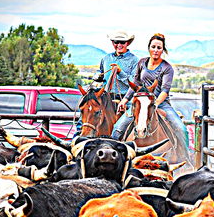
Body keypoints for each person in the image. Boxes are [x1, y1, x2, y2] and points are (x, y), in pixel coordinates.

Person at [112, 33, 191, 163]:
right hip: (140, 101)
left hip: (161, 103)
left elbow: (165, 91)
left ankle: (185, 159)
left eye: (159, 48)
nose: (155, 50)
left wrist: (154, 104)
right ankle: (115, 158)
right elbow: (135, 83)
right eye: (153, 47)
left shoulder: (167, 68)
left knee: (181, 128)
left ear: (163, 50)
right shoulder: (142, 63)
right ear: (149, 48)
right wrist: (125, 100)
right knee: (118, 127)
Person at [74, 30, 138, 136]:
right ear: (113, 43)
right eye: (116, 42)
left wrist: (120, 72)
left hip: (126, 98)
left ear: (127, 43)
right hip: (106, 97)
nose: (119, 45)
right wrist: (98, 76)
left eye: (122, 42)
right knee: (88, 110)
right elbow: (100, 72)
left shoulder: (134, 60)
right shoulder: (106, 58)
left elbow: (134, 82)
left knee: (132, 119)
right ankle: (78, 137)